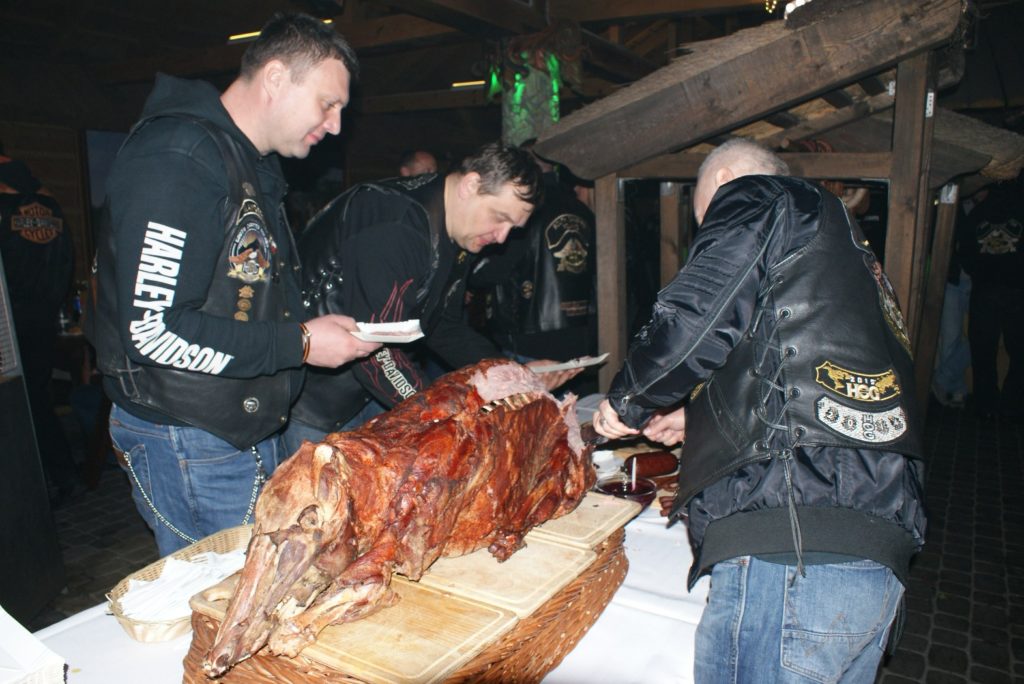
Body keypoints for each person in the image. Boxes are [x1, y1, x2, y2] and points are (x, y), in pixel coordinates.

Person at [593, 138, 927, 683]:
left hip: (791, 550)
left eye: (708, 222)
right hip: (872, 551)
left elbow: (700, 313)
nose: (711, 234)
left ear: (724, 180)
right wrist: (698, 418)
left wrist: (628, 400)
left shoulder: (757, 195)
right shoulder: (845, 244)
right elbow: (797, 362)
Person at [86, 13, 380, 556]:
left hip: (234, 424)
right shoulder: (178, 157)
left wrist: (309, 329)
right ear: (275, 78)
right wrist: (301, 343)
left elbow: (243, 295)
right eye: (327, 103)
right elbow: (153, 332)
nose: (337, 125)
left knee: (257, 586)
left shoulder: (246, 165)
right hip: (190, 433)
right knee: (220, 597)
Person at [283, 142, 580, 453]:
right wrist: (443, 416)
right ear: (470, 185)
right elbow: (374, 350)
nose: (502, 237)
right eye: (499, 217)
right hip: (312, 403)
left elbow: (444, 326)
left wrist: (514, 373)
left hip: (367, 395)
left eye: (513, 227)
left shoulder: (459, 229)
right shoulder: (397, 223)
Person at [0, 142, 84, 508]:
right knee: (35, 401)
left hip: (9, 323)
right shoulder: (49, 202)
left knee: (20, 406)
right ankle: (62, 476)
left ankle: (32, 493)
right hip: (42, 318)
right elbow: (66, 261)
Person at [470, 140, 596, 365]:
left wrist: (471, 277)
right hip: (578, 331)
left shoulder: (525, 209)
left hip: (528, 334)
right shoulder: (582, 210)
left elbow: (494, 270)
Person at [959, 175, 1024, 420]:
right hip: (1016, 291)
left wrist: (981, 272)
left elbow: (965, 251)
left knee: (983, 352)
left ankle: (986, 404)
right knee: (1019, 352)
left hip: (985, 291)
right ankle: (1012, 403)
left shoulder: (978, 213)